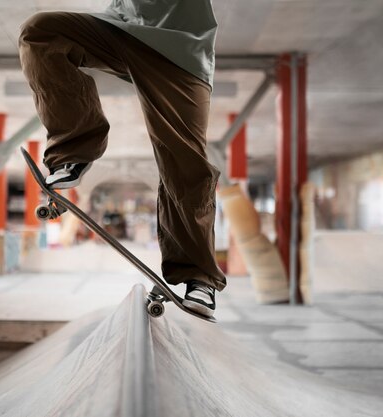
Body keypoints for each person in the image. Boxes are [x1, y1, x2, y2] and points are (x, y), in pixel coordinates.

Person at [19, 0, 227, 317]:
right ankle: (73, 151)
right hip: (121, 27)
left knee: (184, 161)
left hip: (182, 50)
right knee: (41, 31)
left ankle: (198, 277)